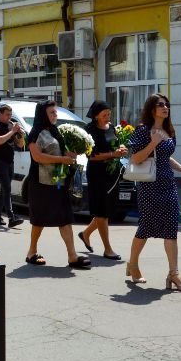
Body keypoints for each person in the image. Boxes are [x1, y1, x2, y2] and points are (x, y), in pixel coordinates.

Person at [125, 94, 181, 290]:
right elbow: (135, 159)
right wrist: (153, 143)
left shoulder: (169, 131)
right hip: (149, 185)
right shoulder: (142, 131)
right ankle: (133, 265)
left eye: (167, 104)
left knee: (171, 228)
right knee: (146, 227)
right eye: (161, 105)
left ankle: (174, 274)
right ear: (152, 109)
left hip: (168, 184)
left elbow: (166, 158)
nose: (165, 107)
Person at [23, 100, 88, 269]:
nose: (55, 115)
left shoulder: (54, 130)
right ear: (43, 114)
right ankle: (31, 252)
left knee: (65, 218)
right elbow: (37, 157)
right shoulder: (35, 133)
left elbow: (61, 151)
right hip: (41, 183)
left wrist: (71, 154)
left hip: (58, 181)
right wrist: (61, 159)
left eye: (55, 112)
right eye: (51, 113)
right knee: (39, 220)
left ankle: (72, 256)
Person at [79, 101, 121, 257]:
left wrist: (120, 149)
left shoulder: (112, 128)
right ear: (96, 115)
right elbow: (91, 155)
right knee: (102, 211)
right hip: (97, 174)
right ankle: (108, 249)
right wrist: (112, 154)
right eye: (104, 115)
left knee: (105, 211)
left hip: (112, 174)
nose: (107, 117)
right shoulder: (89, 130)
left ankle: (85, 234)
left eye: (109, 114)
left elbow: (114, 146)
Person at [0, 105, 24, 227]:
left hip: (10, 162)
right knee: (7, 188)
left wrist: (20, 134)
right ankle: (11, 217)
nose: (9, 117)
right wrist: (12, 131)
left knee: (4, 189)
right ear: (0, 114)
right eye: (7, 114)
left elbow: (20, 145)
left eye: (10, 115)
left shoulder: (10, 126)